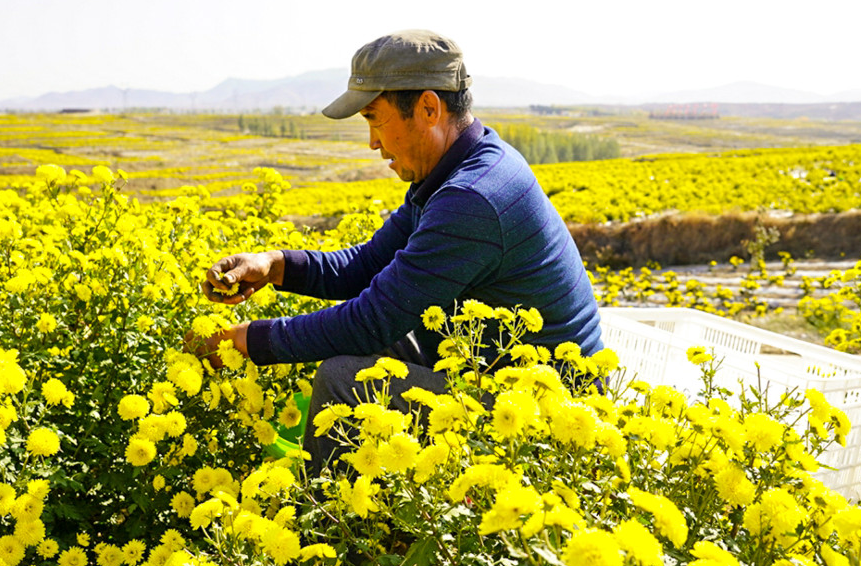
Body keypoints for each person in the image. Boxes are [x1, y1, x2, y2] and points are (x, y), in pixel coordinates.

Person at [194, 29, 604, 474]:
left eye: (375, 119)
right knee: (377, 346)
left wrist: (249, 341)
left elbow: (370, 320)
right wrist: (273, 266)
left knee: (343, 380)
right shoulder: (450, 174)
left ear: (428, 108)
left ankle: (333, 527)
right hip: (493, 377)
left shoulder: (473, 197)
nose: (372, 142)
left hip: (544, 418)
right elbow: (367, 267)